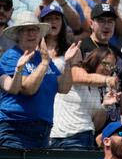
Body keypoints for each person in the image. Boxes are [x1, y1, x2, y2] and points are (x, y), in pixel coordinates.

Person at [0, 11, 79, 149]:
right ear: (18, 34)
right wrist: (44, 63)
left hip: (43, 130)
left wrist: (68, 64)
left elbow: (63, 88)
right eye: (26, 30)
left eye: (35, 30)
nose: (31, 34)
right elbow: (28, 89)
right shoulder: (11, 56)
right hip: (15, 127)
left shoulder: (42, 56)